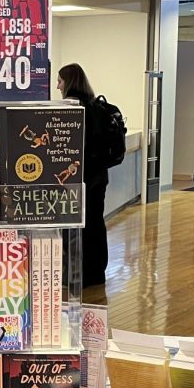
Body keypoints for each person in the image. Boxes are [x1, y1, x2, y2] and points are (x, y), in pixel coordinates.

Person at [57, 63, 109, 286]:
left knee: (75, 227)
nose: (57, 86)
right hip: (99, 178)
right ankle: (97, 273)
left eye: (59, 80)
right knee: (96, 224)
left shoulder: (69, 110)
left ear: (68, 82)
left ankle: (77, 276)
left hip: (76, 179)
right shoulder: (97, 107)